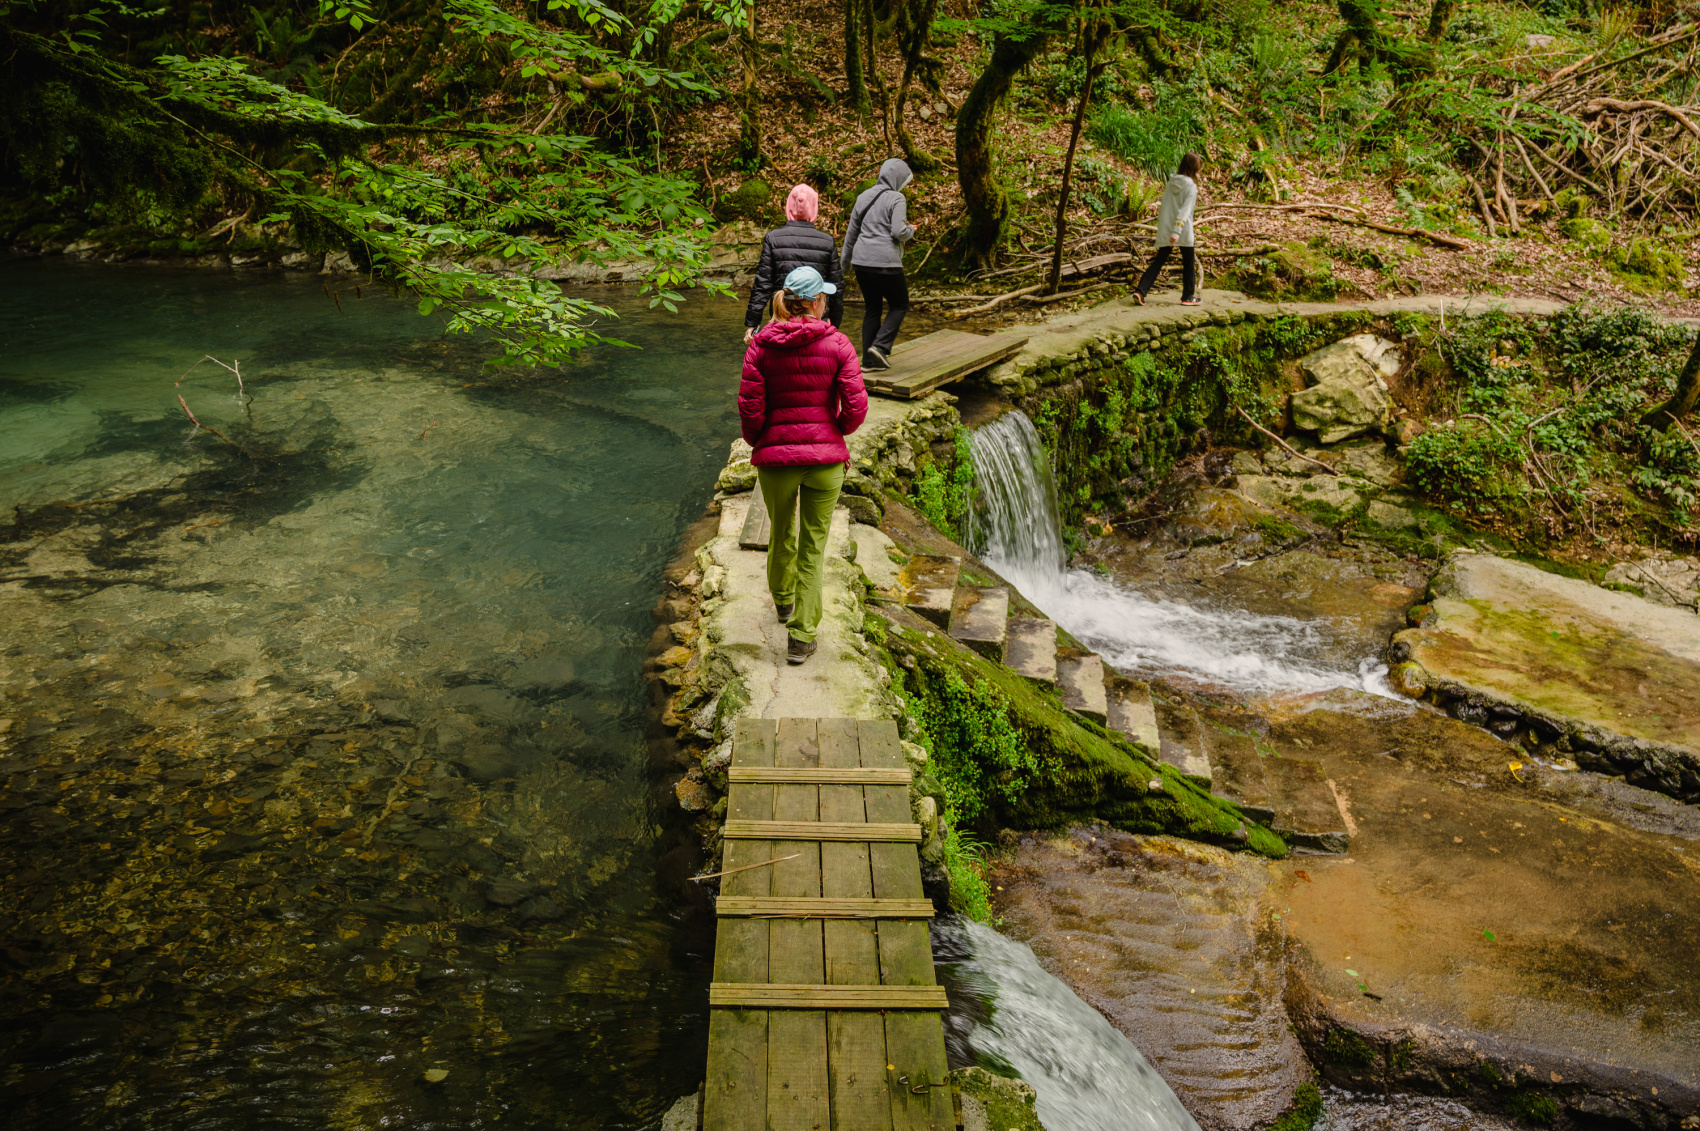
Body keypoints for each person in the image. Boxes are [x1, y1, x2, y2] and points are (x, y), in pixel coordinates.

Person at [738, 265, 869, 665]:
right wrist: (836, 431)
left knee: (781, 531)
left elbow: (750, 408)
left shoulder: (759, 346)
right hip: (826, 461)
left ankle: (782, 603)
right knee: (814, 547)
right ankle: (802, 637)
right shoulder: (839, 344)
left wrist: (761, 440)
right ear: (816, 302)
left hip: (776, 462)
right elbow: (857, 405)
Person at [841, 157, 921, 371]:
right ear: (898, 178)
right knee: (900, 304)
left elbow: (851, 234)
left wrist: (844, 265)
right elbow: (898, 232)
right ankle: (880, 346)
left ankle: (868, 362)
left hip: (861, 263)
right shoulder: (897, 198)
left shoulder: (862, 197)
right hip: (885, 261)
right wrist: (911, 230)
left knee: (872, 308)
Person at [744, 184, 843, 343]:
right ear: (814, 207)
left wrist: (752, 322)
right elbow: (836, 288)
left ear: (789, 206)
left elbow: (763, 284)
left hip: (782, 318)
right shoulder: (827, 242)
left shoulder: (773, 238)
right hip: (817, 319)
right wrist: (835, 324)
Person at [1133, 152, 1202, 308]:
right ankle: (1188, 296)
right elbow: (1185, 210)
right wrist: (1176, 232)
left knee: (1159, 260)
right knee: (1189, 262)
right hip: (1182, 230)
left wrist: (1168, 230)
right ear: (1193, 168)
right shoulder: (1191, 186)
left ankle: (1140, 291)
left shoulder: (1171, 183)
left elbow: (1165, 207)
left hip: (1167, 227)